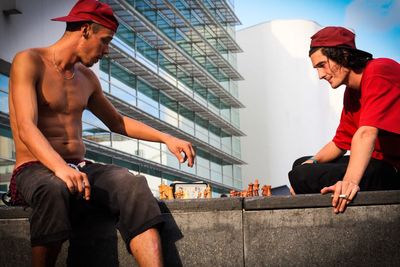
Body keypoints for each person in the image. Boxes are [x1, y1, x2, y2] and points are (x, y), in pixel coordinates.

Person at [8, 0, 195, 266]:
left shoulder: (87, 78)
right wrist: (60, 168)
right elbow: (26, 127)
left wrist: (168, 138)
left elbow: (117, 122)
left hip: (79, 167)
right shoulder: (29, 61)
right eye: (105, 41)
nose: (106, 51)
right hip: (35, 168)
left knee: (132, 184)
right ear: (85, 30)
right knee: (53, 188)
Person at [289, 26, 400, 213]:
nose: (321, 75)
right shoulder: (351, 93)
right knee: (301, 165)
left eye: (322, 65)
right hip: (378, 164)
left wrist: (349, 182)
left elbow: (366, 133)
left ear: (343, 56)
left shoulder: (379, 70)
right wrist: (313, 162)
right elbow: (340, 143)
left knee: (301, 176)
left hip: (393, 169)